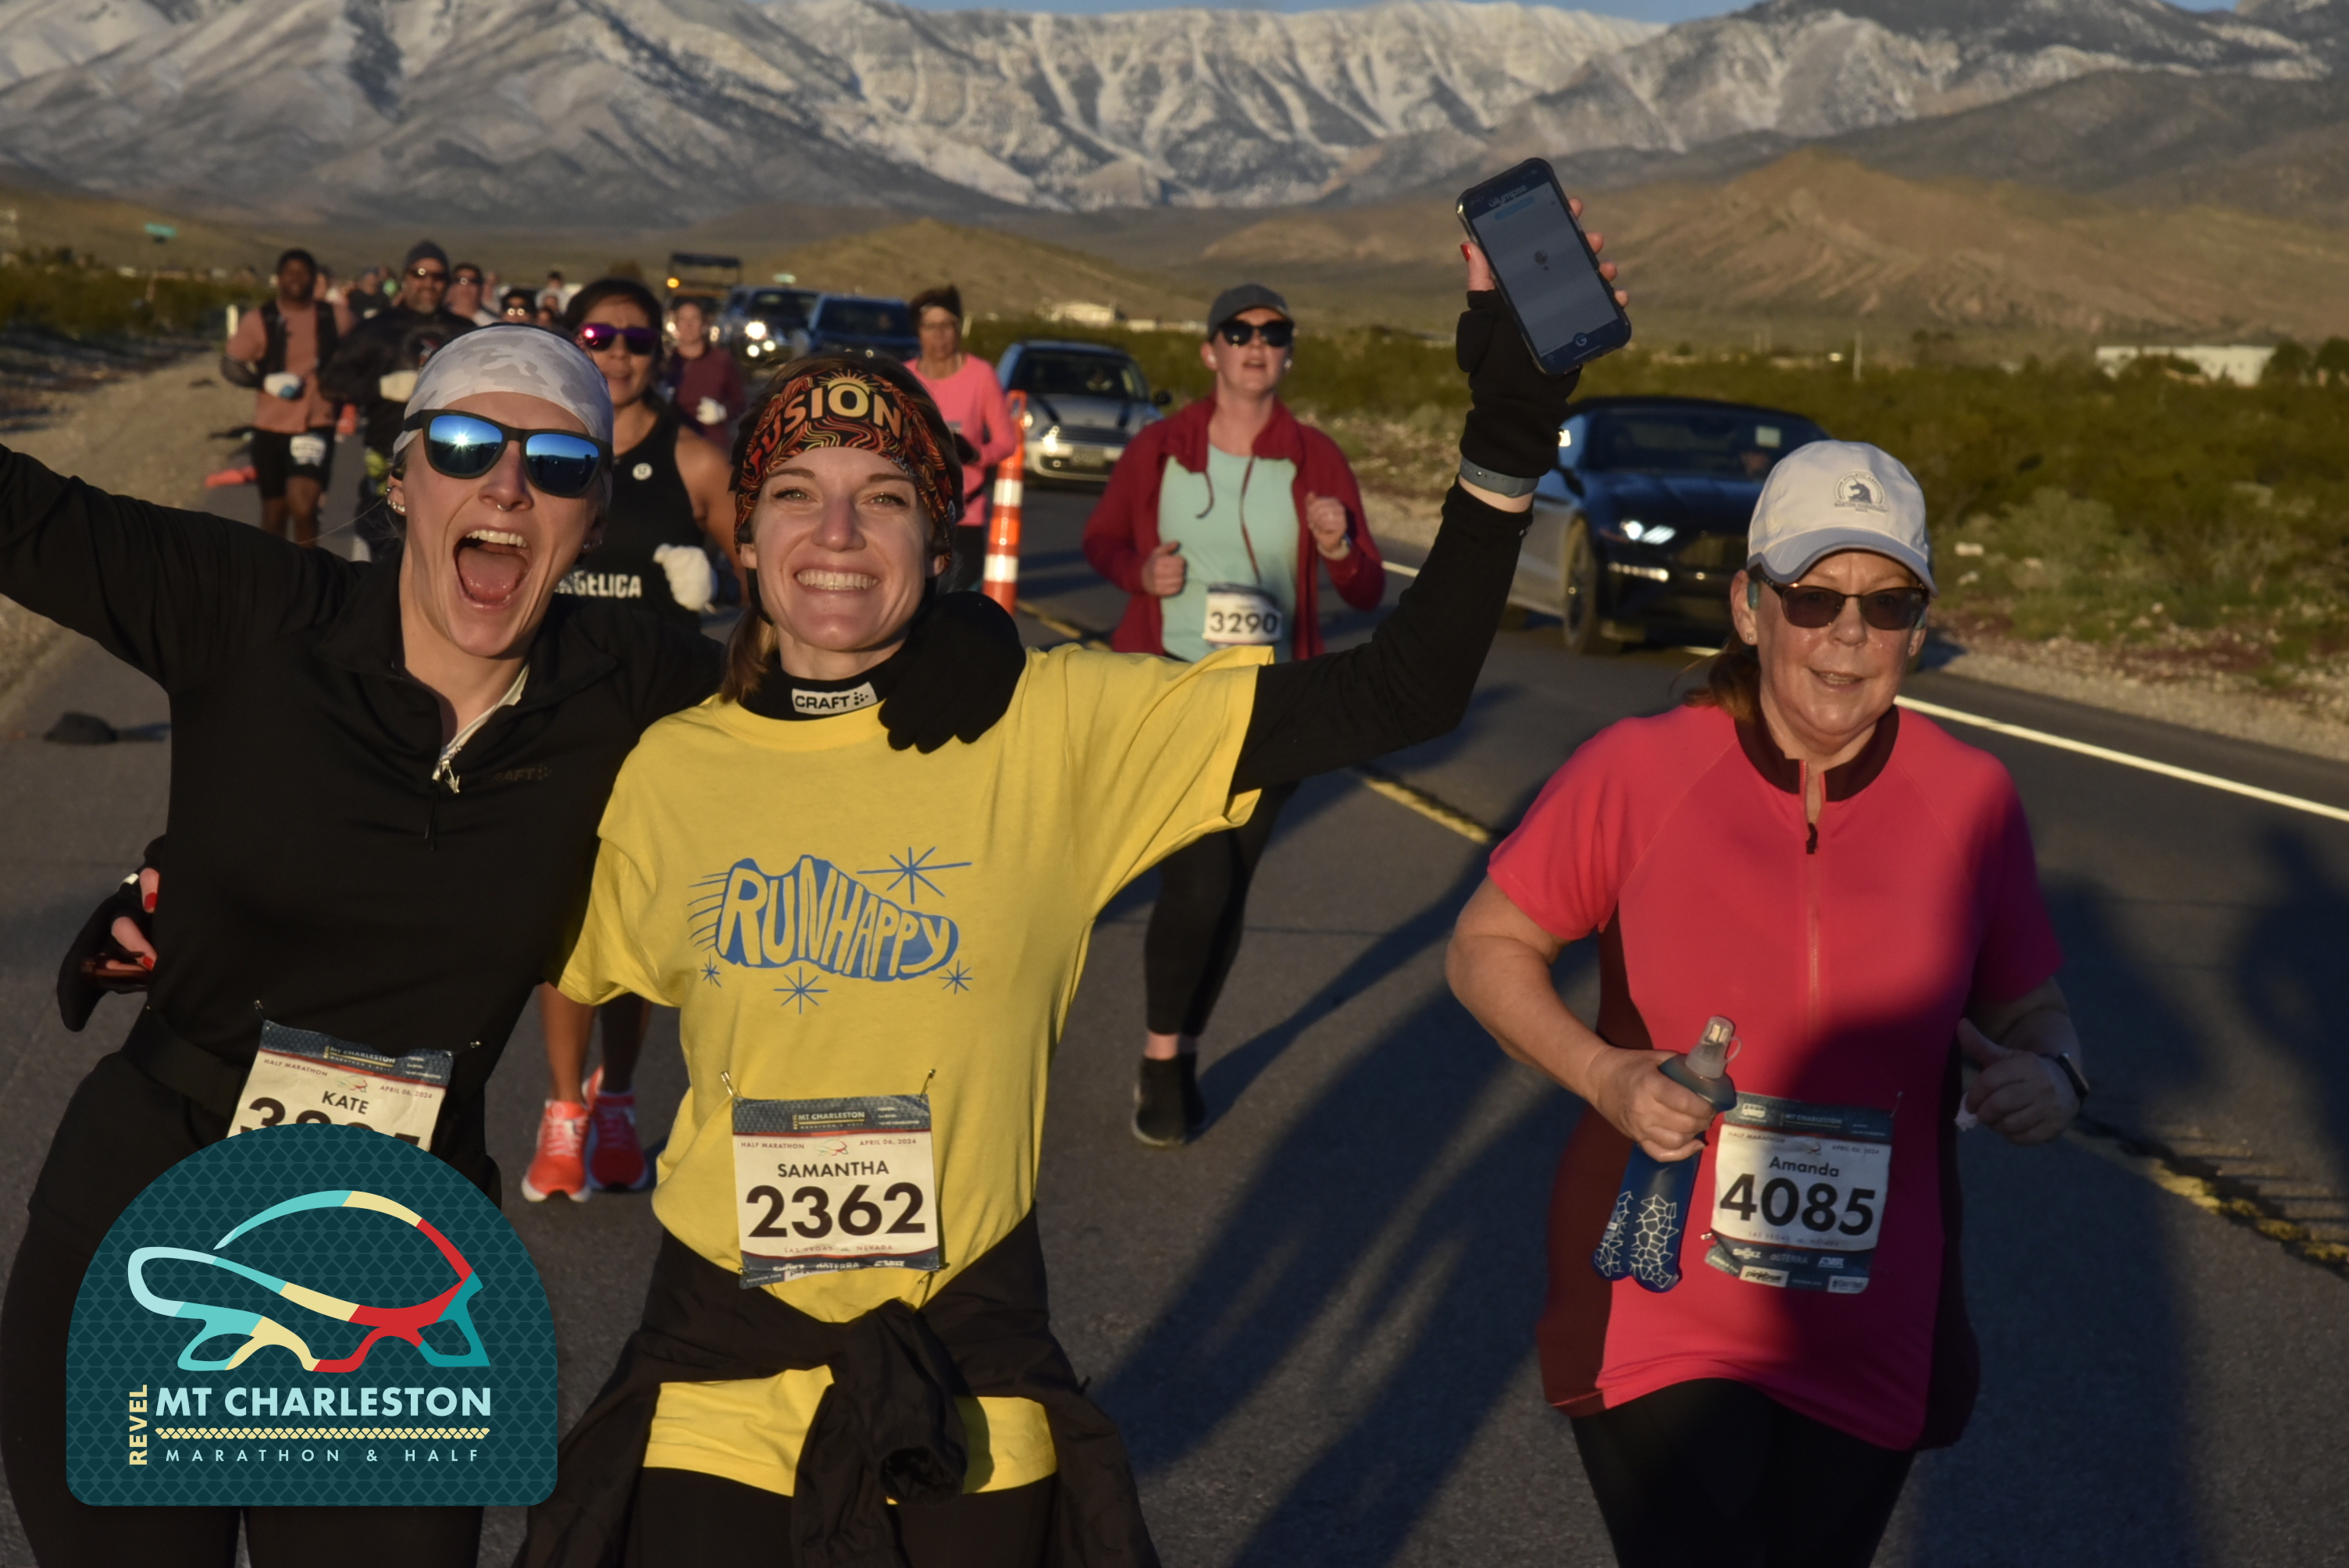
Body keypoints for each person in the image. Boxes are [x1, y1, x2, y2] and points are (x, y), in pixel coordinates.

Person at [515, 230, 1618, 1567]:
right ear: (743, 533)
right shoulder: (672, 765)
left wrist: (1508, 432)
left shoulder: (1053, 725)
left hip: (967, 1365)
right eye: (795, 492)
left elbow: (1405, 690)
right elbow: (477, 932)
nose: (837, 533)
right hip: (718, 1367)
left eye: (884, 496)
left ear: (939, 530)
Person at [0, 325, 1026, 1568]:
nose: (506, 484)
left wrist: (966, 637)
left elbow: (825, 679)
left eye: (557, 464)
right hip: (154, 1203)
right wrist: (179, 875)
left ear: (592, 521)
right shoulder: (253, 609)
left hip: (405, 1250)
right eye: (464, 445)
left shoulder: (634, 686)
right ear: (401, 480)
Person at [1445, 441, 2083, 1568]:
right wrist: (1605, 1075)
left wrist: (2055, 1076)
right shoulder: (1637, 770)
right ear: (1749, 607)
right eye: (1815, 597)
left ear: (1918, 629)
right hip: (1659, 1295)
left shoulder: (1972, 799)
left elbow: (2035, 1011)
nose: (1849, 633)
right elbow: (1485, 947)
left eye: (1886, 604)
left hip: (1873, 1315)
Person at [1081, 283, 1386, 1146]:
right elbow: (1101, 539)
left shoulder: (1314, 459)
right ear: (1210, 351)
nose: (1257, 345)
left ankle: (1182, 1049)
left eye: (1273, 333)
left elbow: (1365, 588)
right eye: (1239, 331)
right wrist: (1141, 574)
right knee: (1200, 879)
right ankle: (1158, 1057)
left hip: (1273, 702)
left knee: (1230, 890)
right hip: (1172, 692)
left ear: (1287, 353)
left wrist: (1337, 544)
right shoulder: (1160, 449)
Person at [521, 277, 740, 1204]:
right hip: (555, 712)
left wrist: (718, 592)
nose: (617, 354)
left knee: (642, 925)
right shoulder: (544, 450)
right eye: (599, 336)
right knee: (565, 918)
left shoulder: (694, 460)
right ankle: (564, 1109)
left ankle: (617, 1096)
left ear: (663, 354)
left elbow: (768, 576)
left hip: (660, 731)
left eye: (637, 341)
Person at [318, 240, 476, 516]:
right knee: (383, 535)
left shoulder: (465, 333)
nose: (428, 283)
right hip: (387, 455)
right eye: (420, 274)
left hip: (452, 458)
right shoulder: (376, 329)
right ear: (405, 278)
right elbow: (331, 382)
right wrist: (380, 387)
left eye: (438, 276)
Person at [221, 248, 351, 547]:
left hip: (315, 424)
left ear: (314, 278)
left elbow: (367, 345)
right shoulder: (261, 320)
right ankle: (275, 571)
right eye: (289, 273)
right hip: (270, 426)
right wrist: (264, 382)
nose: (296, 279)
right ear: (278, 278)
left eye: (303, 273)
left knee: (304, 506)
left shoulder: (334, 318)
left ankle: (310, 570)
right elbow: (230, 364)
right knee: (274, 512)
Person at [907, 283, 1016, 590]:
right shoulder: (904, 378)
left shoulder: (981, 376)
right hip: (914, 513)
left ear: (959, 329)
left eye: (947, 326)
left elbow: (1007, 442)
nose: (939, 336)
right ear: (918, 332)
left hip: (965, 513)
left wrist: (975, 454)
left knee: (958, 600)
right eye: (930, 327)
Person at [658, 296, 747, 446]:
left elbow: (740, 403)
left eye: (695, 319)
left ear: (705, 324)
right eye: (683, 319)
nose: (689, 325)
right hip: (672, 443)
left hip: (711, 444)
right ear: (676, 325)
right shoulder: (664, 362)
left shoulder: (722, 360)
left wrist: (722, 413)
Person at [449, 260, 496, 326]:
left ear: (481, 288)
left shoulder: (491, 326)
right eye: (461, 280)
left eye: (474, 281)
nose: (467, 286)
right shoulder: (438, 321)